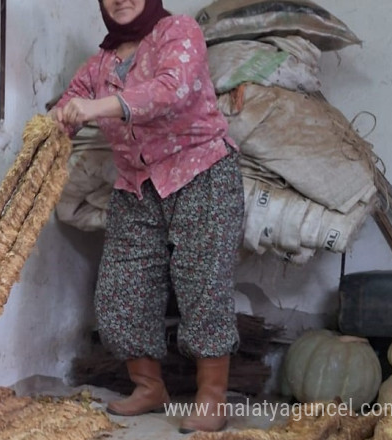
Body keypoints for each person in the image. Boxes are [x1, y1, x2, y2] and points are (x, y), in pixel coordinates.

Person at [49, 0, 243, 434]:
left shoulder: (178, 32)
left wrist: (97, 108)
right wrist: (51, 126)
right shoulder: (98, 66)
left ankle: (212, 397)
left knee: (203, 281)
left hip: (200, 172)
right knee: (121, 289)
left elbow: (171, 90)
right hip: (137, 187)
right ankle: (149, 386)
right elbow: (67, 109)